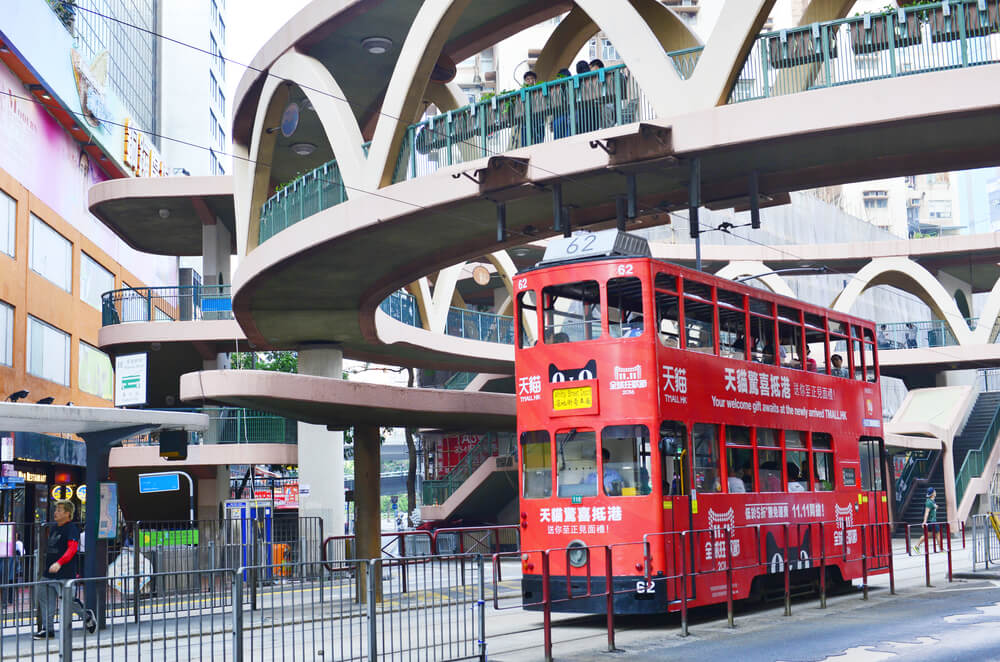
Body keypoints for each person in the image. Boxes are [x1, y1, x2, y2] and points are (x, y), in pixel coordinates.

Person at [35, 501, 96, 639]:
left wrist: (59, 563)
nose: (55, 512)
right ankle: (47, 629)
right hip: (48, 573)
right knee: (44, 598)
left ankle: (87, 616)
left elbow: (73, 548)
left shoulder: (71, 528)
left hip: (64, 573)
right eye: (56, 509)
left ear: (67, 514)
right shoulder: (55, 528)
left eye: (59, 510)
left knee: (68, 601)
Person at [913, 487, 941, 554]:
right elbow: (927, 512)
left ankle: (916, 546)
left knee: (927, 535)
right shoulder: (929, 502)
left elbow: (933, 507)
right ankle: (941, 548)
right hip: (932, 521)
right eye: (934, 491)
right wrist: (924, 522)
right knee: (938, 534)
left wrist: (936, 507)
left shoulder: (932, 501)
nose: (935, 492)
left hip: (932, 521)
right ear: (932, 493)